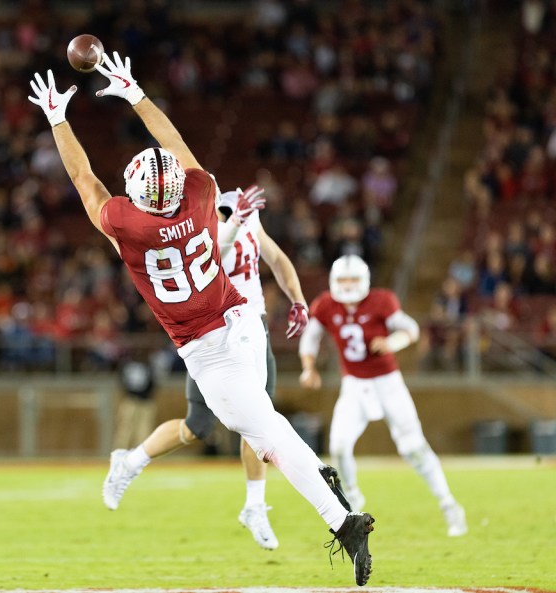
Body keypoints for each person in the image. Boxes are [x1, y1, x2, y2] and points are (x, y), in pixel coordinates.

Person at [28, 52, 375, 586]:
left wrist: (57, 117)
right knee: (267, 429)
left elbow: (82, 176)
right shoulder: (200, 194)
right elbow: (178, 147)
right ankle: (327, 498)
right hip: (242, 322)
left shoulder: (129, 227)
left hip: (208, 350)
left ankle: (340, 517)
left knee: (266, 432)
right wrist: (133, 90)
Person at [99, 183, 338, 552]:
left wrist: (298, 300)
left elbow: (275, 258)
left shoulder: (240, 215)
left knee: (263, 423)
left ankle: (255, 504)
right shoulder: (194, 227)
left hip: (249, 327)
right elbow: (212, 249)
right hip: (215, 335)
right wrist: (233, 223)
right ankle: (130, 462)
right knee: (197, 427)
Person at [298, 255, 467, 537]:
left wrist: (391, 342)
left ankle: (449, 505)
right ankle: (353, 501)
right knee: (338, 446)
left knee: (414, 447)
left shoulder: (381, 301)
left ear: (364, 281)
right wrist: (308, 366)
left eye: (353, 280)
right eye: (343, 280)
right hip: (354, 385)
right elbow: (310, 336)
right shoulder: (326, 304)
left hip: (388, 383)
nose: (348, 286)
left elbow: (411, 329)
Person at [112, 351, 158, 450]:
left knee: (143, 431)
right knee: (126, 430)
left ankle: (140, 454)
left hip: (143, 401)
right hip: (131, 400)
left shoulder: (147, 366)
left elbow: (153, 383)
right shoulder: (129, 366)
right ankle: (121, 452)